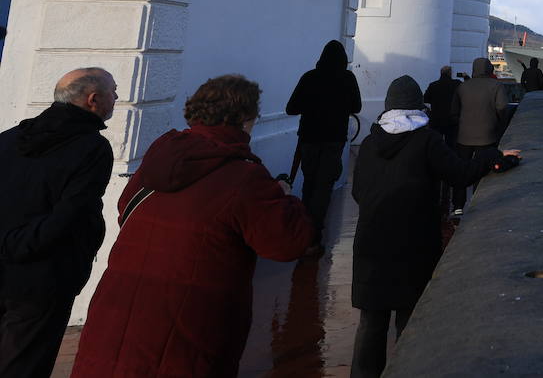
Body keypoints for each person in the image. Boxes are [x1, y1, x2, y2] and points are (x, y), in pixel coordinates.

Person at [72, 75, 313, 378]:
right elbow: (287, 243)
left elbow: (125, 209)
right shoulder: (245, 176)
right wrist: (285, 198)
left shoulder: (162, 154)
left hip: (117, 308)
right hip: (189, 323)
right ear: (245, 118)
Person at [351, 76, 519, 378]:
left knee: (371, 323)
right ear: (418, 106)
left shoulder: (368, 143)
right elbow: (460, 173)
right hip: (412, 243)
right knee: (408, 319)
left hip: (370, 243)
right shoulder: (426, 140)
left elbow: (358, 192)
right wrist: (493, 157)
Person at [0, 68, 116, 378]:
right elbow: (71, 214)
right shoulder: (93, 148)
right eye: (113, 92)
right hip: (43, 276)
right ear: (93, 100)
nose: (117, 98)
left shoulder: (10, 137)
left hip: (9, 261)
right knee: (24, 363)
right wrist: (21, 246)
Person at [286, 40, 361, 249]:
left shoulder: (310, 77)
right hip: (334, 139)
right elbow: (357, 106)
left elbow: (291, 108)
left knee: (309, 182)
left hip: (309, 138)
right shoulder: (347, 78)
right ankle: (314, 233)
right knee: (324, 186)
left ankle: (305, 228)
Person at [451, 59, 513, 211]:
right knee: (483, 169)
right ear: (490, 69)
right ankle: (479, 204)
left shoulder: (462, 86)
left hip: (464, 137)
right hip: (487, 135)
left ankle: (458, 205)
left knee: (461, 170)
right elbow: (503, 107)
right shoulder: (496, 86)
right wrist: (497, 122)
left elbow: (454, 112)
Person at [422, 65, 459, 148]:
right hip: (451, 120)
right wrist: (466, 77)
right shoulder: (456, 84)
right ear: (450, 73)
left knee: (436, 144)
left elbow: (425, 99)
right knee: (451, 144)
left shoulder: (433, 85)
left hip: (436, 119)